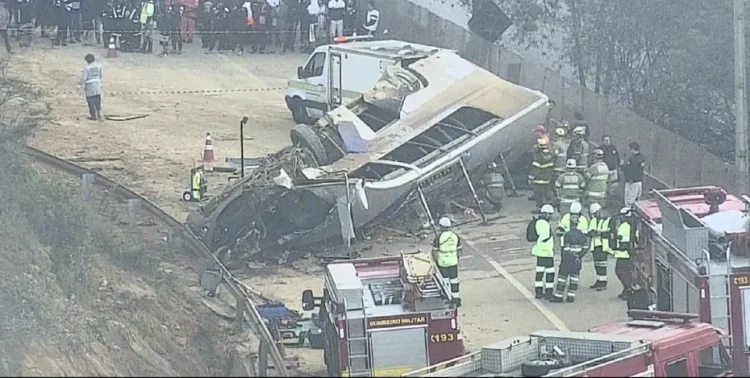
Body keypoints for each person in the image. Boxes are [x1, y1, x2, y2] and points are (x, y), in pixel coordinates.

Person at [550, 218, 588, 303]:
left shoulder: (568, 235)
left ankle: (558, 296)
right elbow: (585, 248)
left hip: (567, 261)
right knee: (574, 278)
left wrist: (572, 256)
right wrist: (579, 256)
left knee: (562, 278)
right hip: (577, 261)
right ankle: (571, 296)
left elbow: (566, 249)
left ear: (571, 223)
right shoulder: (582, 235)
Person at [432, 216, 462, 307]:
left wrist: (435, 262)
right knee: (454, 281)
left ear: (441, 226)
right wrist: (456, 258)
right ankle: (456, 299)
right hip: (453, 262)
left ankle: (447, 298)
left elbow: (434, 252)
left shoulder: (439, 237)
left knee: (444, 282)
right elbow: (459, 250)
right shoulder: (455, 236)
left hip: (442, 263)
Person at [613, 206, 637, 300]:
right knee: (626, 272)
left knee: (621, 271)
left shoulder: (625, 226)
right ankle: (627, 289)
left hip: (625, 254)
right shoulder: (631, 225)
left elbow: (624, 239)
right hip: (626, 253)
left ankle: (628, 290)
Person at [532, 204, 556, 299]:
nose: (550, 216)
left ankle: (538, 292)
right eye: (549, 214)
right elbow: (545, 237)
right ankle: (548, 293)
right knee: (550, 273)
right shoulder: (544, 223)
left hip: (540, 251)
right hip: (546, 252)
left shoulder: (538, 222)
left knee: (540, 272)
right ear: (545, 213)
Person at [587, 203, 611, 290]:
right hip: (595, 245)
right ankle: (599, 280)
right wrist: (595, 233)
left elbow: (609, 232)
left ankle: (603, 283)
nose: (595, 215)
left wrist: (599, 233)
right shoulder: (594, 221)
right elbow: (590, 232)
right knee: (597, 264)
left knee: (602, 264)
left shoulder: (607, 220)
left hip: (603, 245)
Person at [529, 138, 554, 212]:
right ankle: (547, 207)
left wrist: (531, 178)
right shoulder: (550, 155)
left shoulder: (538, 156)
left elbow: (535, 169)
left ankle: (539, 208)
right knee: (547, 194)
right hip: (547, 179)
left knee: (538, 195)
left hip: (539, 180)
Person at [79, 53, 103, 121]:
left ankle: (93, 115)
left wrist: (80, 84)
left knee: (91, 101)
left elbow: (84, 78)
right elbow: (100, 75)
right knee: (98, 99)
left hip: (90, 85)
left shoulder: (87, 68)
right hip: (97, 84)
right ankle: (99, 113)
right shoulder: (99, 66)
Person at [622, 141, 645, 207]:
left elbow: (629, 170)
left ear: (632, 149)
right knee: (637, 200)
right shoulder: (642, 158)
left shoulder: (633, 159)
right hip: (639, 181)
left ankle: (628, 215)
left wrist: (623, 166)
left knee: (629, 200)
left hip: (632, 182)